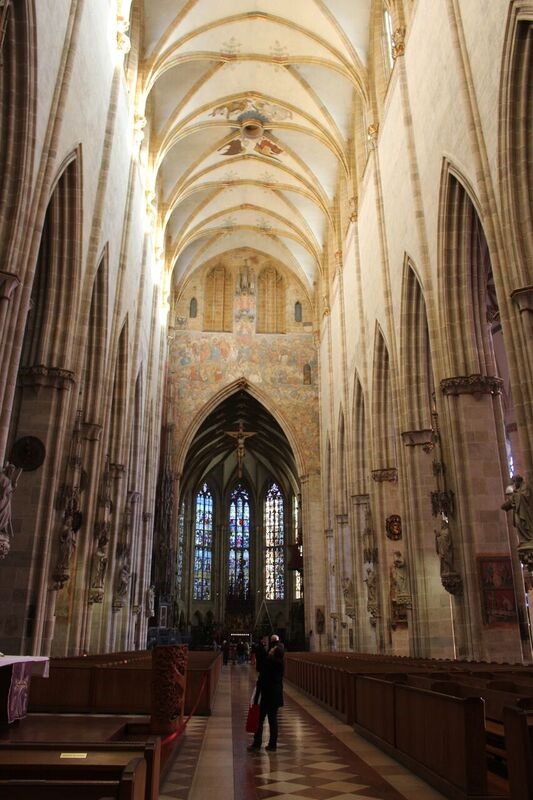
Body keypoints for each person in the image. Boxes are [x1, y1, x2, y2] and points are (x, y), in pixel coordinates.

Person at [247, 644, 284, 753]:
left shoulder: (269, 662)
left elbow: (263, 679)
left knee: (260, 719)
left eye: (273, 649)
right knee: (273, 719)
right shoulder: (280, 663)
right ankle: (272, 744)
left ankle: (257, 744)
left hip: (266, 694)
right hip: (276, 694)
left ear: (274, 653)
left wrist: (257, 693)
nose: (271, 649)